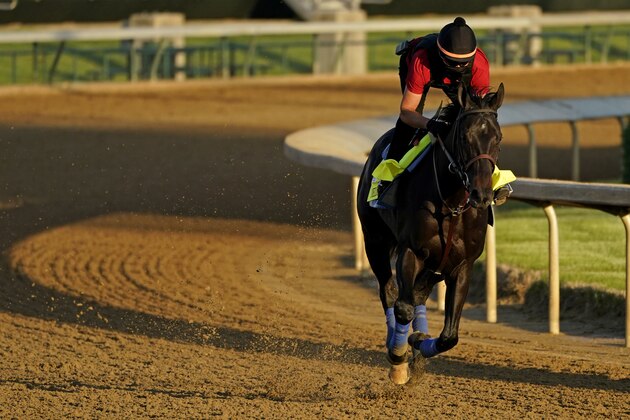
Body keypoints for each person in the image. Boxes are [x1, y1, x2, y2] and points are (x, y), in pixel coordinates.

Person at [375, 16, 513, 207]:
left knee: (477, 130)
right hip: (420, 69)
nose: (458, 67)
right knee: (411, 128)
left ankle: (494, 179)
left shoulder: (479, 64)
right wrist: (430, 124)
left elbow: (479, 114)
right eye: (452, 62)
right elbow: (406, 112)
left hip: (458, 80)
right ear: (441, 55)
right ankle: (387, 179)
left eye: (463, 63)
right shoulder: (421, 61)